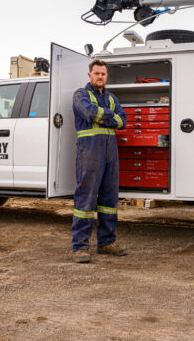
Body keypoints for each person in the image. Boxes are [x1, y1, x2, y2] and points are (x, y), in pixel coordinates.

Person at [71, 59, 128, 263]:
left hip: (110, 152)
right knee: (86, 198)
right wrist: (108, 116)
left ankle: (106, 243)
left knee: (109, 199)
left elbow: (122, 121)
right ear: (90, 75)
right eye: (97, 73)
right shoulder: (81, 95)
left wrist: (104, 116)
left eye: (103, 74)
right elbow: (88, 111)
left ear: (106, 76)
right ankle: (80, 247)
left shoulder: (111, 98)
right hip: (89, 152)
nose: (100, 77)